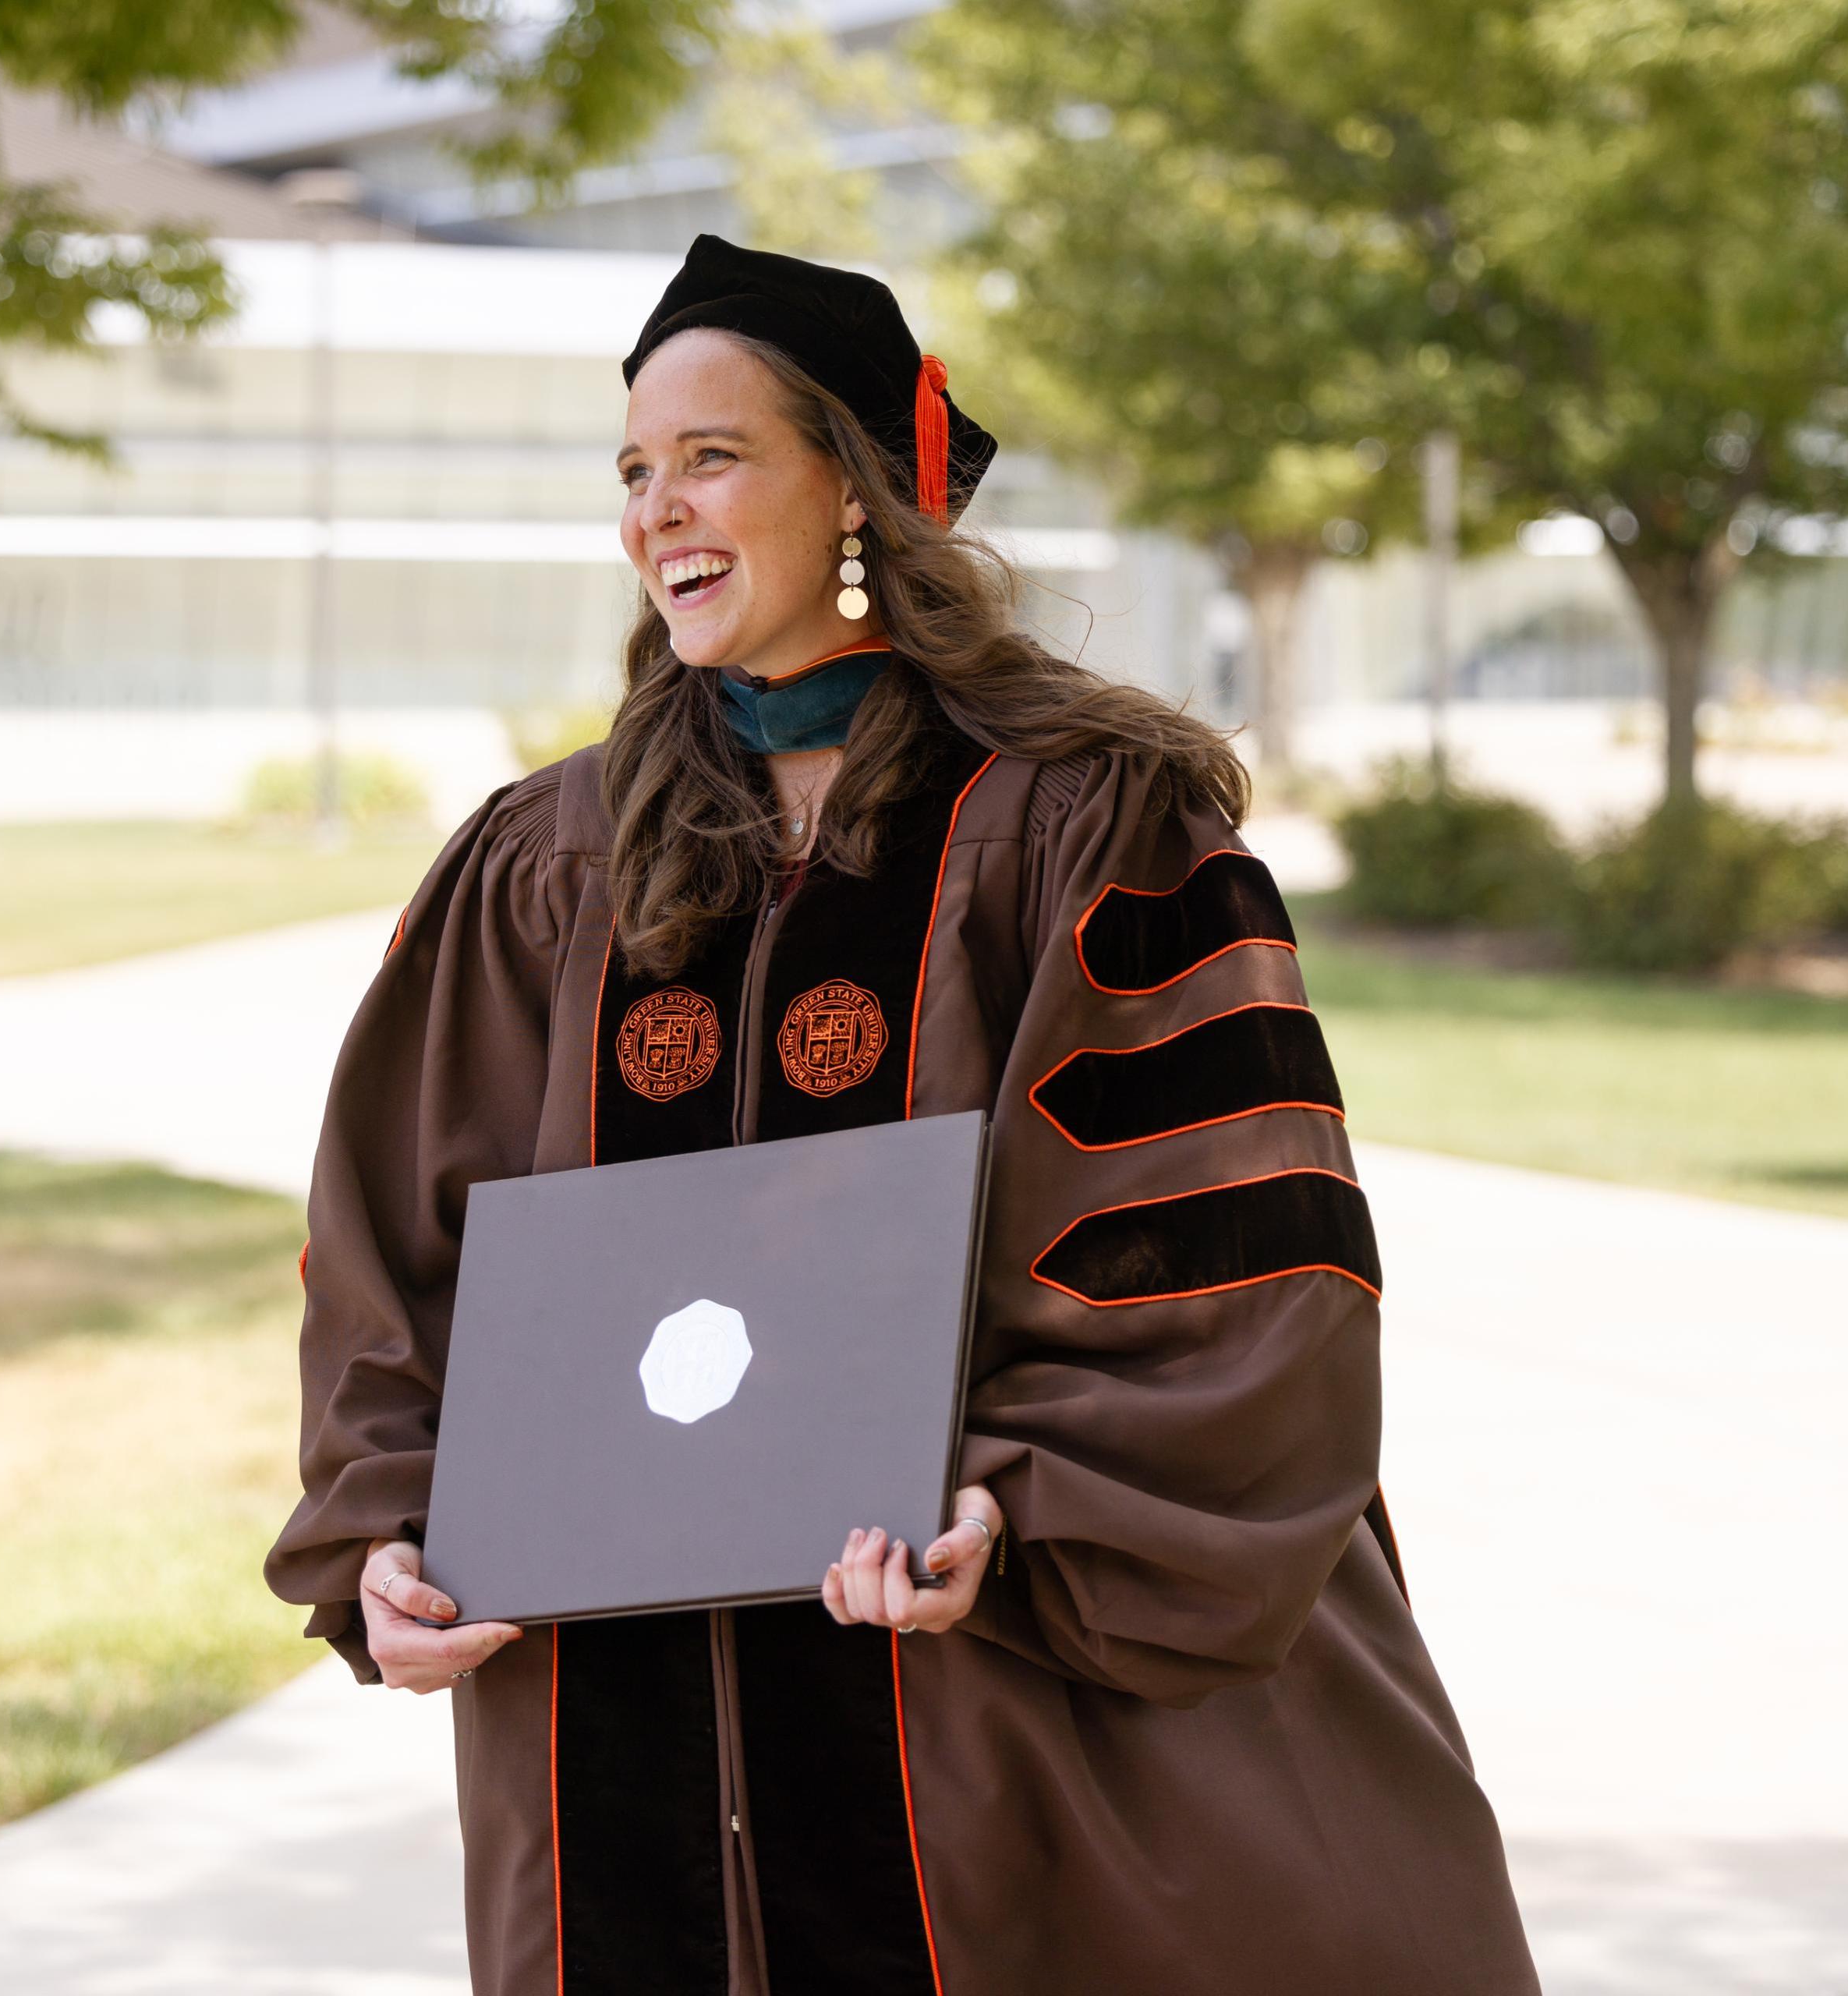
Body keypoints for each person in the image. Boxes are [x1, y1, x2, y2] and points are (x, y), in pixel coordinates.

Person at [264, 235, 1538, 1995]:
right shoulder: (547, 863)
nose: (659, 508)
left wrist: (1017, 1504)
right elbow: (395, 1254)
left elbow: (1234, 1261)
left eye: (712, 455)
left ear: (856, 489)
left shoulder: (1093, 827)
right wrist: (393, 1528)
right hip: (622, 1739)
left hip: (990, 1711)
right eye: (634, 470)